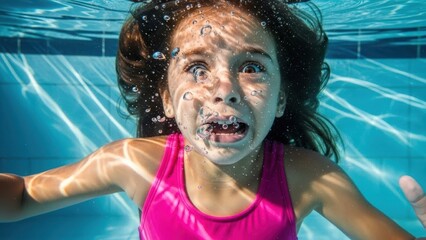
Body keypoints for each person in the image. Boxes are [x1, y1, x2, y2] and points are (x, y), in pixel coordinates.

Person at [0, 0, 424, 239]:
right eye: (197, 68)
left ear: (279, 100)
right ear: (166, 99)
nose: (225, 89)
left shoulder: (308, 178)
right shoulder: (133, 164)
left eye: (252, 67)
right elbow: (19, 197)